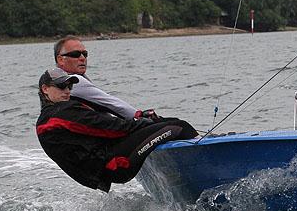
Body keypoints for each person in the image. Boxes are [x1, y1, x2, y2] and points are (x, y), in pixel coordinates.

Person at [36, 68, 198, 192]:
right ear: (45, 89)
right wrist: (145, 121)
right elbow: (114, 129)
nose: (67, 90)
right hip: (115, 164)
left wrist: (146, 123)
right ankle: (203, 162)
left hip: (103, 170)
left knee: (164, 125)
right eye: (61, 86)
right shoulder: (61, 114)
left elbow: (97, 133)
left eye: (70, 86)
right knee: (177, 126)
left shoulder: (44, 121)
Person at [54, 35, 143, 119]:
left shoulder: (51, 83)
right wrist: (141, 116)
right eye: (75, 54)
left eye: (85, 54)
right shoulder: (75, 81)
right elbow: (112, 104)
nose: (82, 58)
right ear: (60, 59)